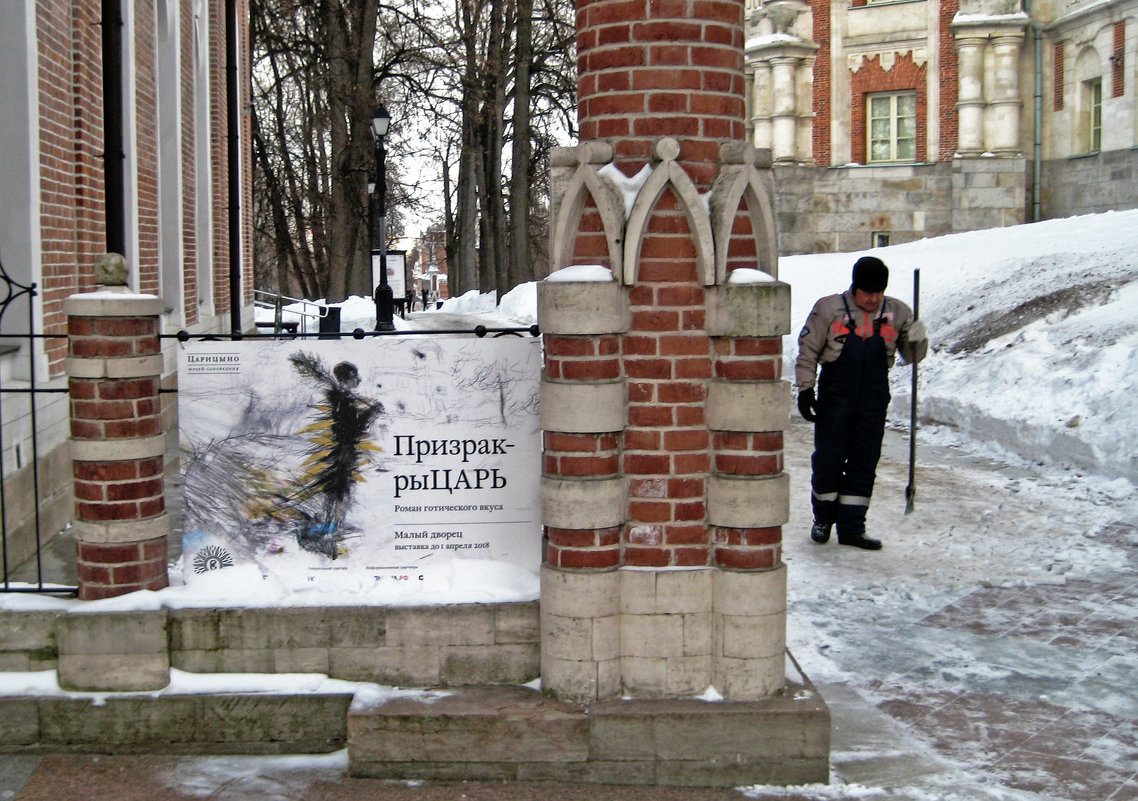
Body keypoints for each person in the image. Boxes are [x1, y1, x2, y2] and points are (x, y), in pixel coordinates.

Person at [795, 256, 928, 550]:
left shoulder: (898, 312)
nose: (873, 299)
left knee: (864, 462)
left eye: (878, 293)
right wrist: (806, 389)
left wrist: (919, 339)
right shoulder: (829, 309)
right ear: (855, 287)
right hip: (835, 395)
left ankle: (852, 527)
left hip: (873, 397)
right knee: (829, 460)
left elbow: (913, 356)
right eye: (867, 293)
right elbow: (808, 350)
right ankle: (823, 519)